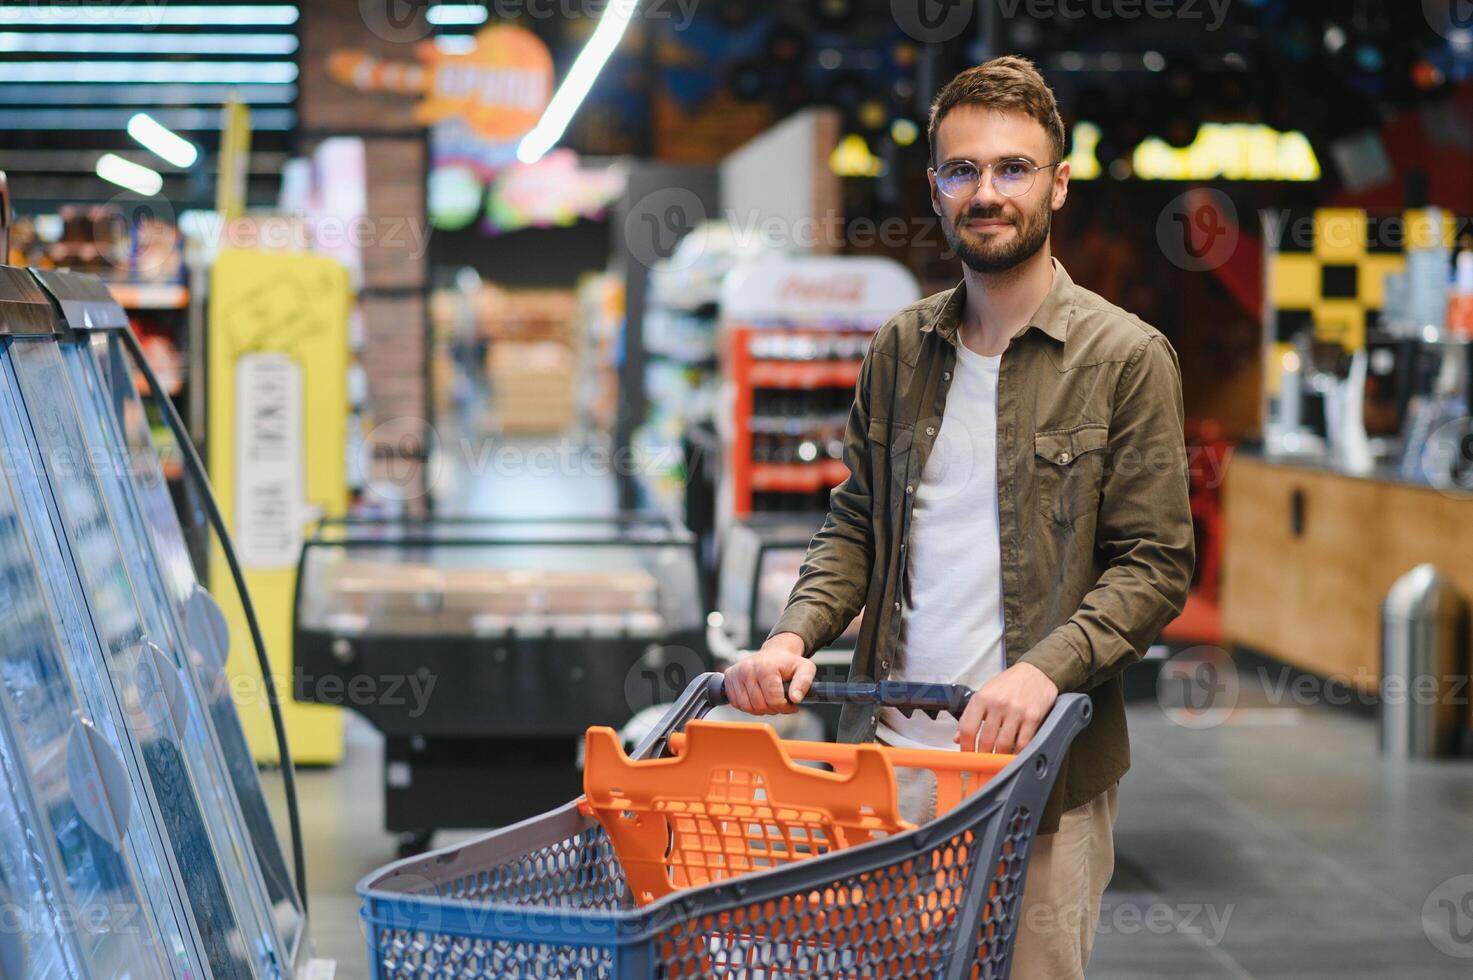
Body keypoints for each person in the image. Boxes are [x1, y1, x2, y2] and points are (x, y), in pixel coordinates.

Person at [723, 55, 1195, 978]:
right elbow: (856, 520)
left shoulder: (1126, 357)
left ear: (1057, 183)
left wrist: (1040, 672)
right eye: (962, 170)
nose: (987, 192)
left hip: (1040, 781)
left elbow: (1153, 565)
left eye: (1013, 168)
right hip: (890, 767)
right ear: (934, 188)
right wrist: (792, 637)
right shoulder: (902, 347)